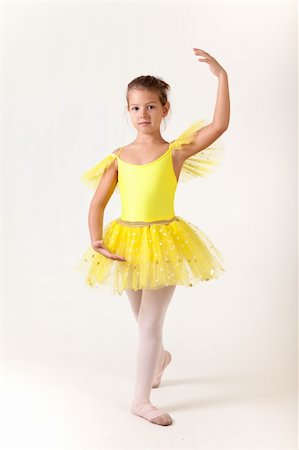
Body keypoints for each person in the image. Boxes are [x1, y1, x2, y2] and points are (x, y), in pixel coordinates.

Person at [74, 48, 230, 426]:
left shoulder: (175, 153)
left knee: (149, 322)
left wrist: (222, 77)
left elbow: (219, 125)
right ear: (127, 111)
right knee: (139, 316)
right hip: (126, 243)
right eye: (135, 108)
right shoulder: (119, 156)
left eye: (150, 107)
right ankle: (160, 359)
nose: (143, 115)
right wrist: (97, 240)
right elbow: (97, 204)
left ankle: (140, 400)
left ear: (165, 109)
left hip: (164, 243)